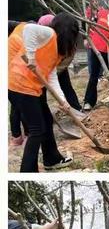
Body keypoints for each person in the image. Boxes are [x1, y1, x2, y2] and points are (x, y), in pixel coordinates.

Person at [8, 12, 79, 172]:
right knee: (37, 130)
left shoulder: (57, 50)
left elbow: (51, 75)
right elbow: (29, 29)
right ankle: (27, 172)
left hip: (31, 86)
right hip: (20, 85)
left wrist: (63, 101)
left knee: (46, 119)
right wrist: (31, 57)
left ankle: (51, 159)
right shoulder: (49, 34)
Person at [38, 14, 82, 112]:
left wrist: (56, 70)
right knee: (40, 93)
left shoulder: (69, 41)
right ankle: (43, 115)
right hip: (44, 70)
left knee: (67, 88)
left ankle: (76, 109)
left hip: (59, 68)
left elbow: (67, 58)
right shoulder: (44, 42)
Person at [83, 0, 109, 111]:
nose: (95, 2)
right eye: (92, 1)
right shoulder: (87, 15)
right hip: (94, 46)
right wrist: (86, 39)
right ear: (88, 3)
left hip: (107, 47)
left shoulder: (104, 12)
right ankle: (89, 101)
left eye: (96, 0)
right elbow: (85, 29)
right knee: (93, 75)